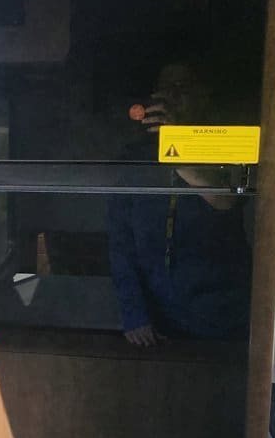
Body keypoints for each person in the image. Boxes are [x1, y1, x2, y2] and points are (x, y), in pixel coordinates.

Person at [107, 61, 253, 345]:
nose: (171, 96)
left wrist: (176, 139)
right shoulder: (135, 157)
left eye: (181, 87)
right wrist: (134, 313)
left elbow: (225, 200)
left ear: (203, 94)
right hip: (157, 319)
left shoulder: (226, 143)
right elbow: (120, 240)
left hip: (225, 314)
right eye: (164, 89)